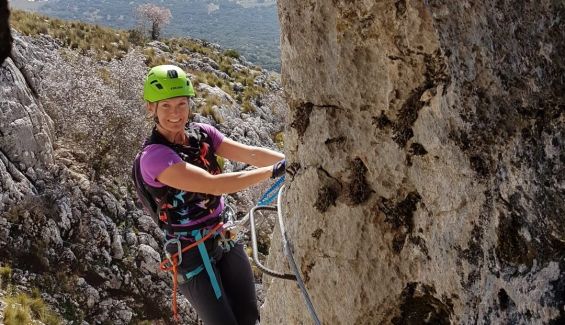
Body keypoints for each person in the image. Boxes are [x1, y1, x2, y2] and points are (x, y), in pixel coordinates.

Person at [133, 64, 285, 325]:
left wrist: (290, 159)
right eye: (166, 105)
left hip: (223, 233)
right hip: (190, 252)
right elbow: (214, 185)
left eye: (181, 104)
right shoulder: (154, 158)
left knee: (249, 316)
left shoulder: (201, 134)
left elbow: (248, 153)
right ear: (151, 108)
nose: (175, 113)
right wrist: (273, 171)